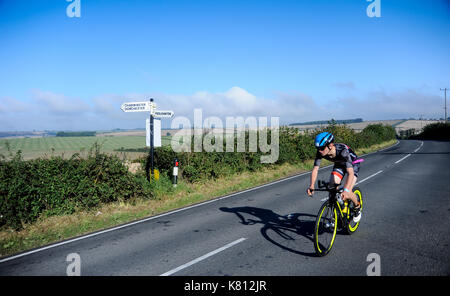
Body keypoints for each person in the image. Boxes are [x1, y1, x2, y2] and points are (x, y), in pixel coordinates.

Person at [307, 132, 362, 221]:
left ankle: (357, 207)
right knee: (332, 187)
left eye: (321, 148)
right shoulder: (320, 152)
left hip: (353, 165)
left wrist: (346, 190)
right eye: (317, 148)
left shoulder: (343, 151)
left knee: (347, 192)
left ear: (330, 145)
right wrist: (311, 185)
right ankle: (337, 210)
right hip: (339, 164)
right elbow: (315, 169)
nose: (319, 151)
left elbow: (350, 173)